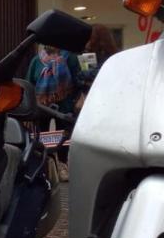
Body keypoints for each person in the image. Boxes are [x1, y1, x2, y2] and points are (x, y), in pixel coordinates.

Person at [26, 45, 81, 180]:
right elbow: (29, 82)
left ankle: (62, 165)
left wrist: (75, 99)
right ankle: (46, 167)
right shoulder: (36, 60)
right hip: (42, 106)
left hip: (65, 106)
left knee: (64, 137)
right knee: (42, 137)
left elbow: (77, 80)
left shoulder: (70, 58)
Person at [76, 24, 119, 112]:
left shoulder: (90, 54)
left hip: (95, 101)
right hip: (107, 100)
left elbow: (84, 76)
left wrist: (84, 75)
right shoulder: (115, 55)